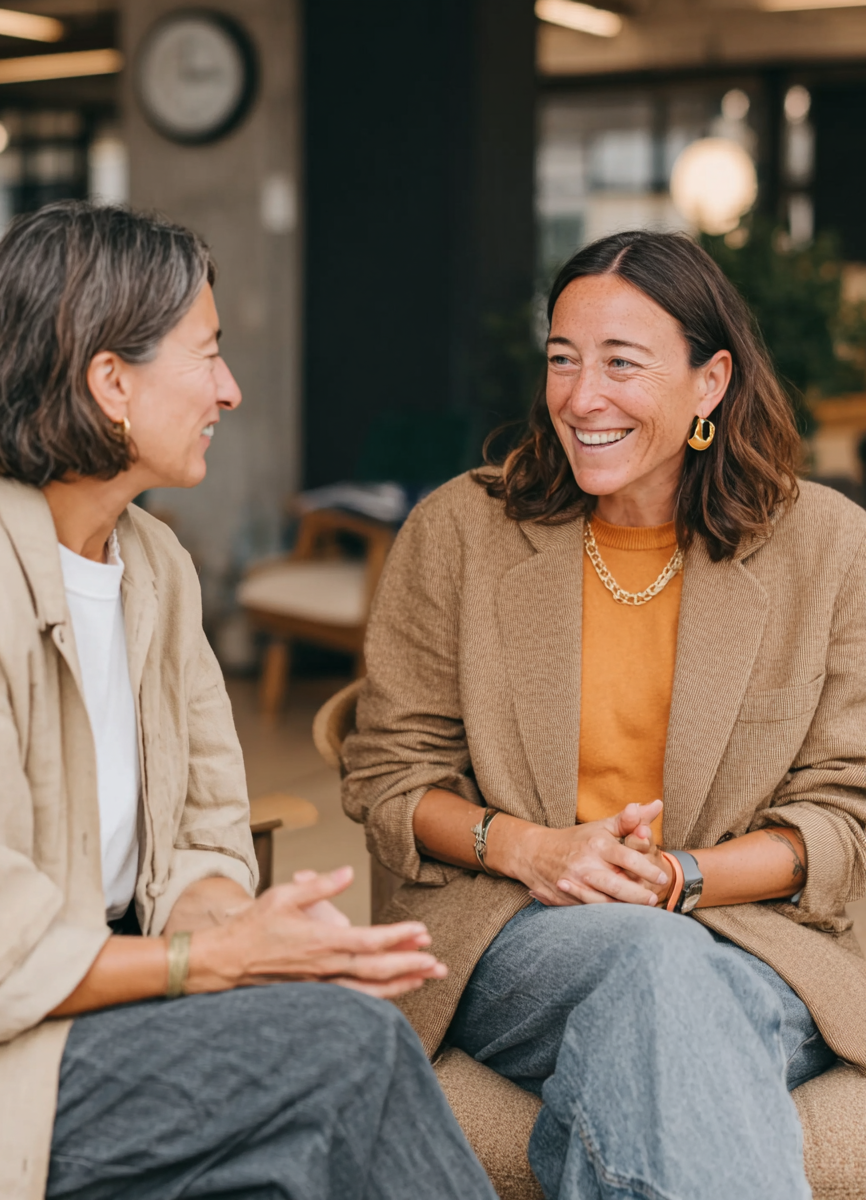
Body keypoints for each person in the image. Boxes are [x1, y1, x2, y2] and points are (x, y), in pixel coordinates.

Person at [0, 202, 500, 1200]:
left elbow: (209, 830)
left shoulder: (153, 566)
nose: (230, 389)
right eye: (205, 355)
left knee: (320, 1096)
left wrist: (243, 936)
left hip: (110, 1020)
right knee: (352, 1053)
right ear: (110, 383)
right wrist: (208, 964)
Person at [342, 230, 866, 1200]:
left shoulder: (826, 549)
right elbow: (388, 777)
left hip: (760, 937)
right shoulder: (460, 530)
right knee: (657, 974)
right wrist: (533, 851)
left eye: (621, 364)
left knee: (659, 1003)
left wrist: (674, 879)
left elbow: (844, 816)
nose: (581, 397)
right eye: (560, 359)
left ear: (709, 382)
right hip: (511, 930)